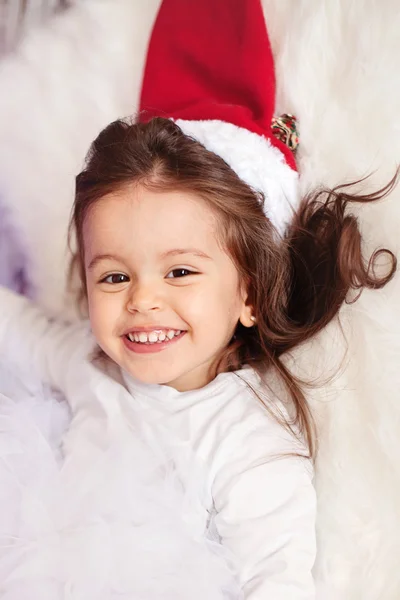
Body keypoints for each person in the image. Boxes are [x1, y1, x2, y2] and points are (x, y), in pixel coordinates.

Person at [0, 0, 396, 598]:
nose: (143, 300)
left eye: (180, 271)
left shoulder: (248, 441)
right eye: (114, 277)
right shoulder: (91, 364)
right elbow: (17, 329)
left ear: (250, 295)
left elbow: (277, 579)